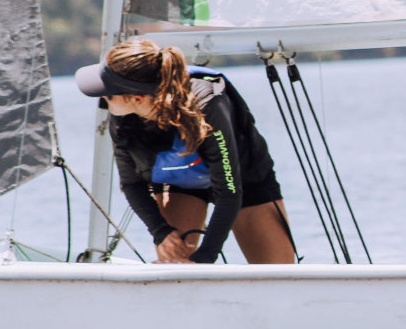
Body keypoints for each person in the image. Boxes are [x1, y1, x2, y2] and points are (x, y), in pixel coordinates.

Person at [76, 39, 296, 264]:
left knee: (277, 270)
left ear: (136, 98)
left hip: (243, 180)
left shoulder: (209, 105)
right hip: (181, 182)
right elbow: (132, 185)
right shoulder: (122, 120)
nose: (103, 100)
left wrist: (205, 257)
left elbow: (229, 192)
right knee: (175, 260)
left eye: (108, 94)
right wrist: (160, 231)